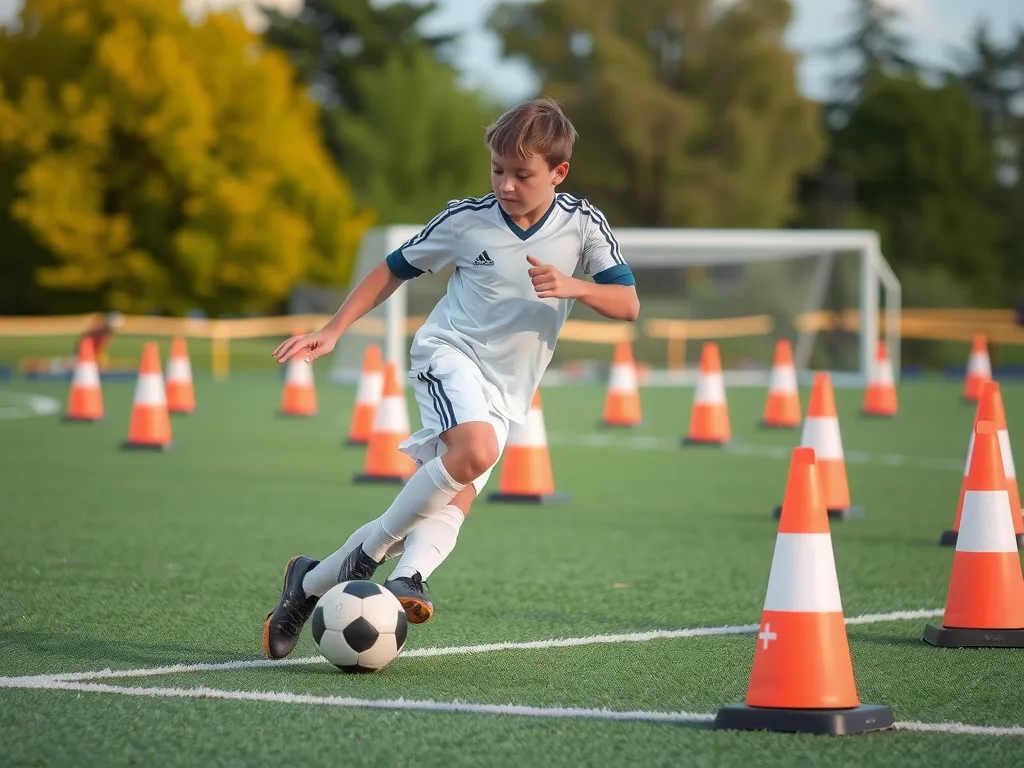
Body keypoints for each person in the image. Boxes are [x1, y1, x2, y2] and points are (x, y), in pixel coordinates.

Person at [262, 98, 640, 660]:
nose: (506, 185)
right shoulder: (466, 221)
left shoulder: (583, 225)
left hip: (510, 390)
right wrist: (335, 329)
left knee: (452, 501)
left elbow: (628, 303)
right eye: (497, 170)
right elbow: (394, 268)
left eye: (522, 174)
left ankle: (319, 584)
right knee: (475, 451)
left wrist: (575, 286)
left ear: (559, 173)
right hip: (449, 353)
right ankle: (372, 557)